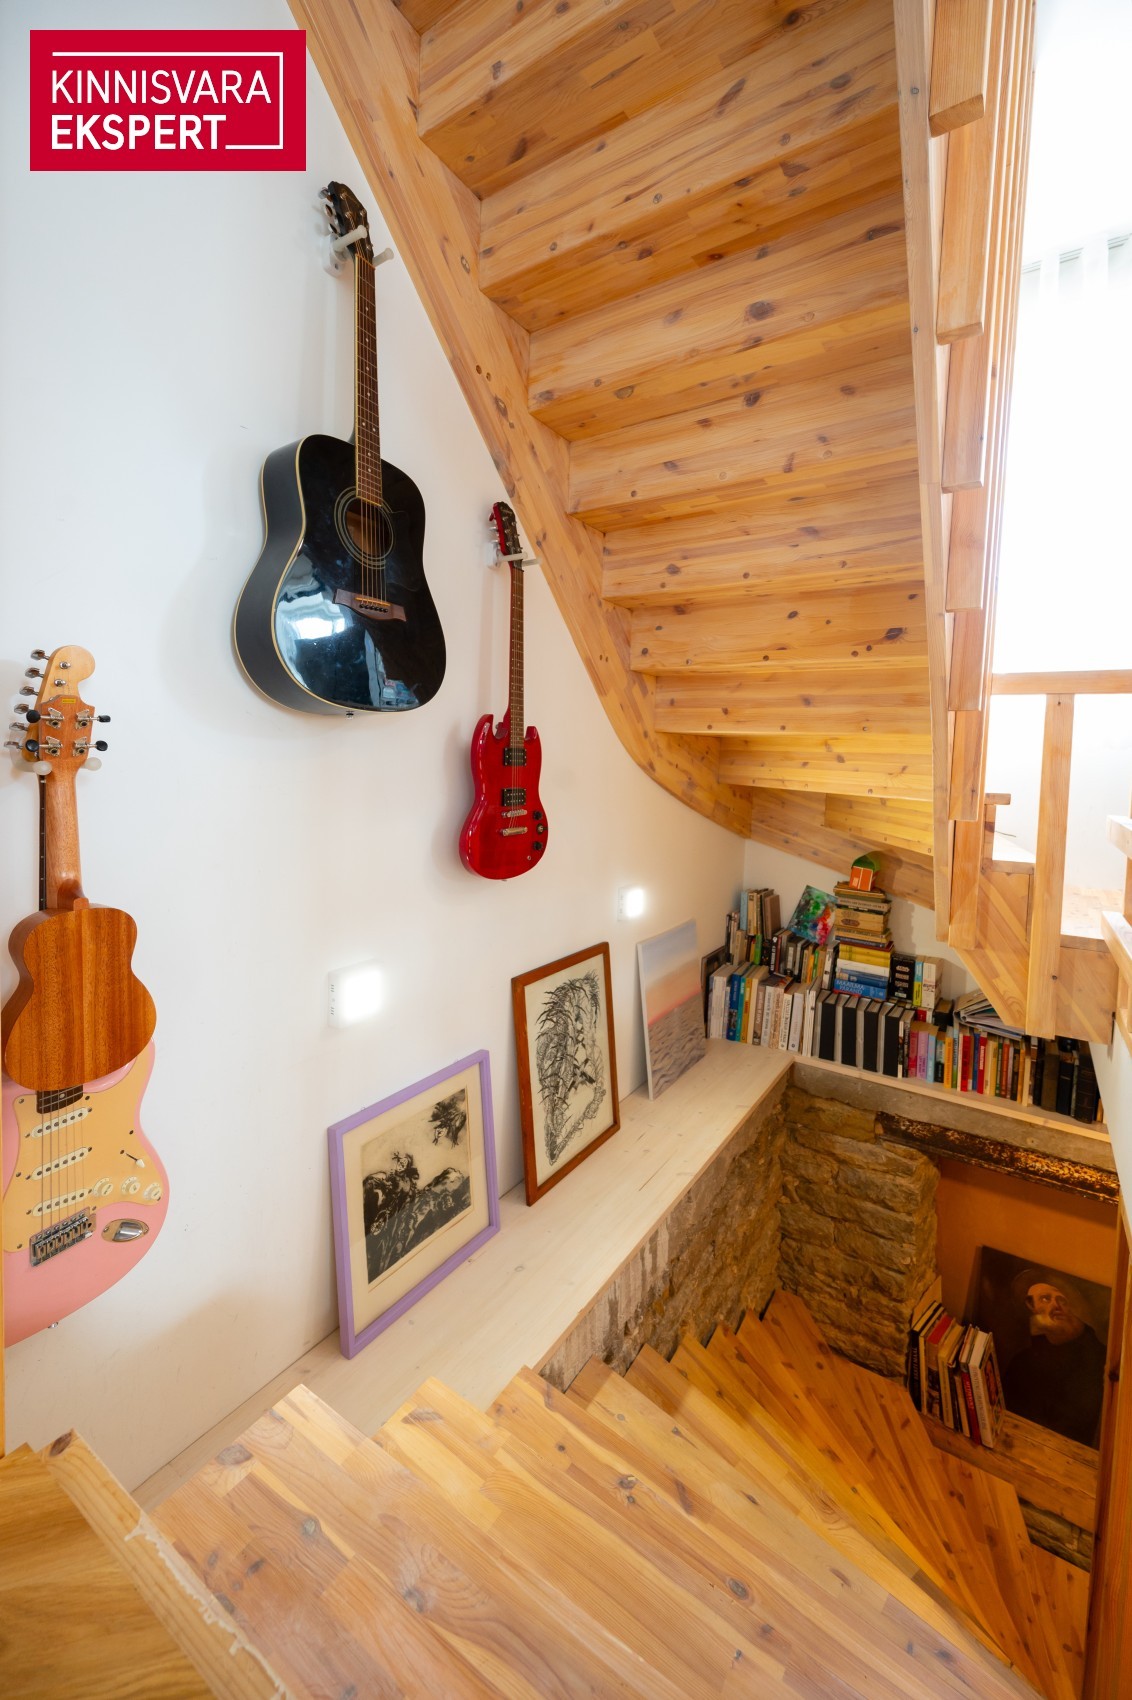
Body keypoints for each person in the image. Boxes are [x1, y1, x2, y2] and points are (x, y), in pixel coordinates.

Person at [1001, 1267, 1106, 1446]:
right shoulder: (1021, 1364)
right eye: (1045, 1299)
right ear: (1031, 1308)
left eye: (1061, 1300)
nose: (1056, 1305)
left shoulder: (1099, 1359)